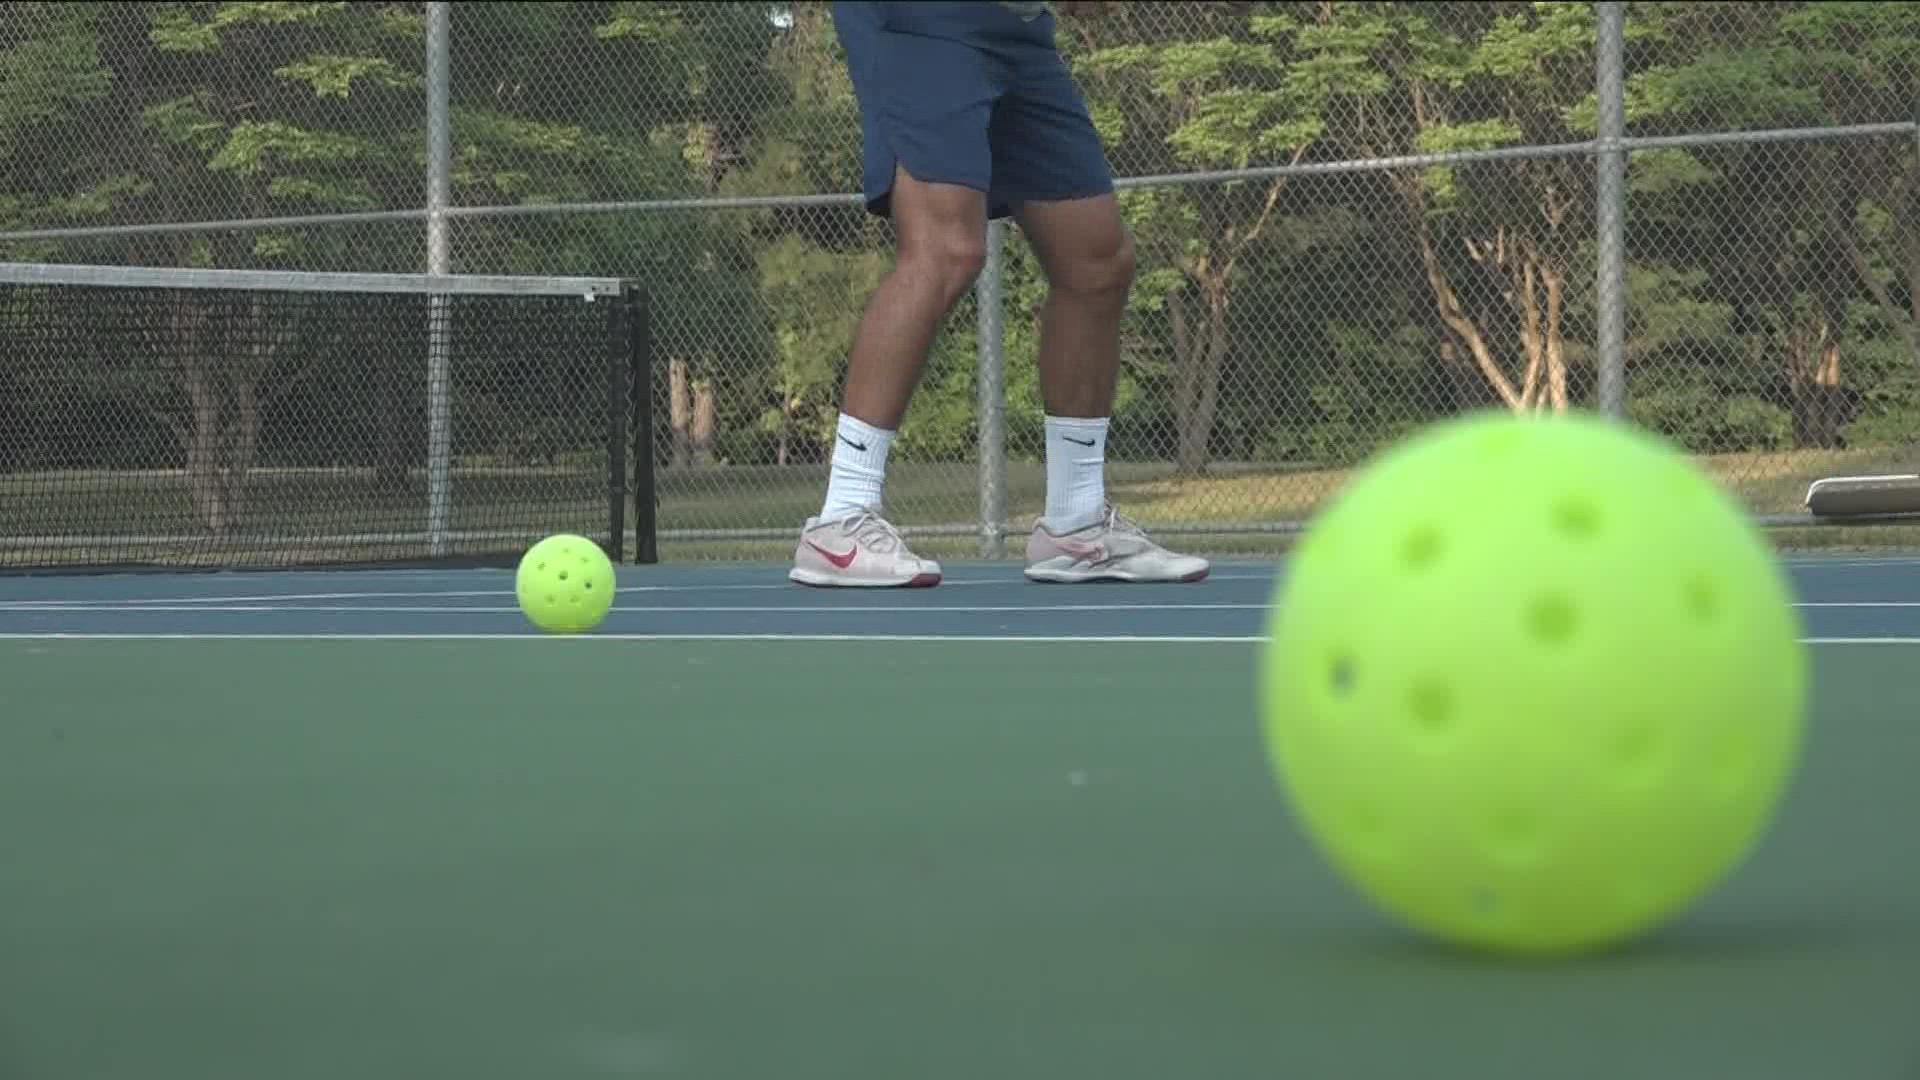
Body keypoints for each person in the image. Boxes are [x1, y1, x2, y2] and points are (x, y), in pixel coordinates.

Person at [788, 0, 1212, 589]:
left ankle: (1077, 524)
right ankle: (840, 519)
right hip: (922, 20)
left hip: (1016, 29)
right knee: (947, 250)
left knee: (1097, 260)